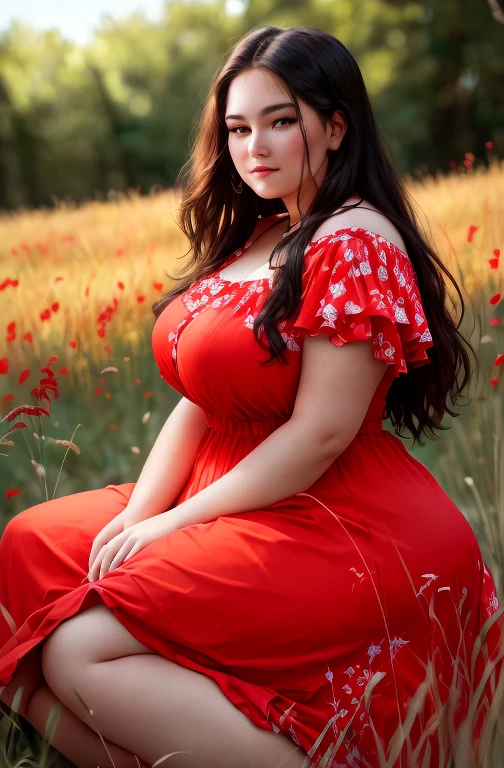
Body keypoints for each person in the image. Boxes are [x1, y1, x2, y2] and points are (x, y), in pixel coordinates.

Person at [0, 24, 502, 768]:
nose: (254, 147)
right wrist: (143, 512)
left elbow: (321, 435)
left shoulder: (355, 240)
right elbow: (203, 399)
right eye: (238, 128)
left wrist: (174, 528)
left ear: (335, 127)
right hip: (232, 488)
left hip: (331, 516)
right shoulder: (267, 233)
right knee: (24, 554)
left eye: (279, 122)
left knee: (76, 651)